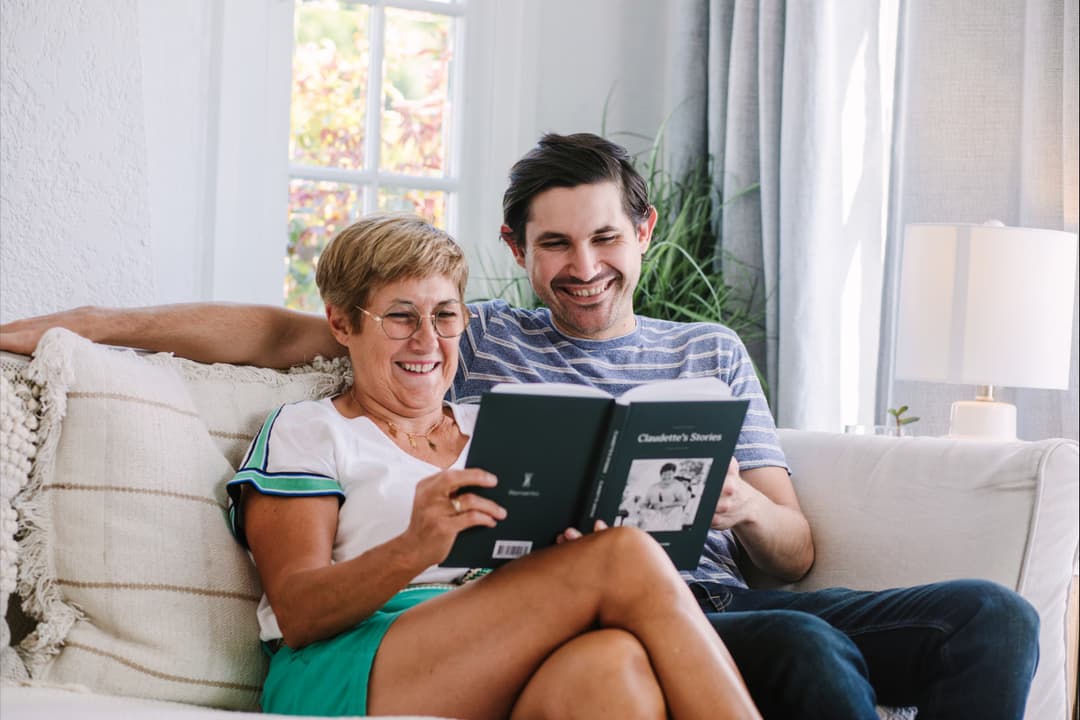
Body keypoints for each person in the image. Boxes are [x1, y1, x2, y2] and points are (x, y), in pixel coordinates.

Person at [0, 132, 1040, 719]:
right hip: (393, 646)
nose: (429, 340)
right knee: (771, 631)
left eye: (443, 318)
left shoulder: (487, 401)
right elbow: (269, 342)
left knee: (985, 618)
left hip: (605, 616)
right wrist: (90, 326)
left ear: (642, 232)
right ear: (520, 250)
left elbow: (794, 547)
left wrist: (740, 508)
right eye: (555, 245)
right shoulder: (323, 422)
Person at [227, 212, 760, 718]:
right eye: (400, 317)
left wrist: (566, 551)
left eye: (445, 315)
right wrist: (413, 548)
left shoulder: (501, 425)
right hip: (350, 662)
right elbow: (297, 613)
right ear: (342, 324)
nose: (427, 340)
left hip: (496, 649)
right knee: (622, 557)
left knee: (613, 668)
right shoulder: (309, 430)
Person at [641, 462, 691, 530]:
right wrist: (644, 510)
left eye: (670, 474)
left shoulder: (678, 486)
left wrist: (665, 504)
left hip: (672, 518)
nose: (667, 477)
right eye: (664, 474)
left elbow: (683, 502)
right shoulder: (653, 487)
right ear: (661, 475)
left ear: (673, 474)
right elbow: (645, 503)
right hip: (655, 517)